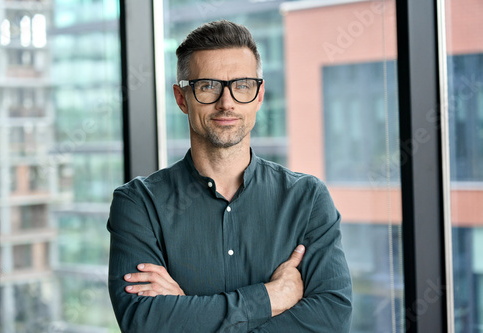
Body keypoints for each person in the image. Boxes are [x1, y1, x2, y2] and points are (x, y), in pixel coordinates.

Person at [107, 20, 352, 332]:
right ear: (182, 98)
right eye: (208, 86)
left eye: (242, 85)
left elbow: (331, 320)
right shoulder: (139, 203)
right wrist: (271, 297)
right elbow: (144, 323)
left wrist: (188, 315)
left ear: (259, 95)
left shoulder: (307, 199)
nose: (227, 102)